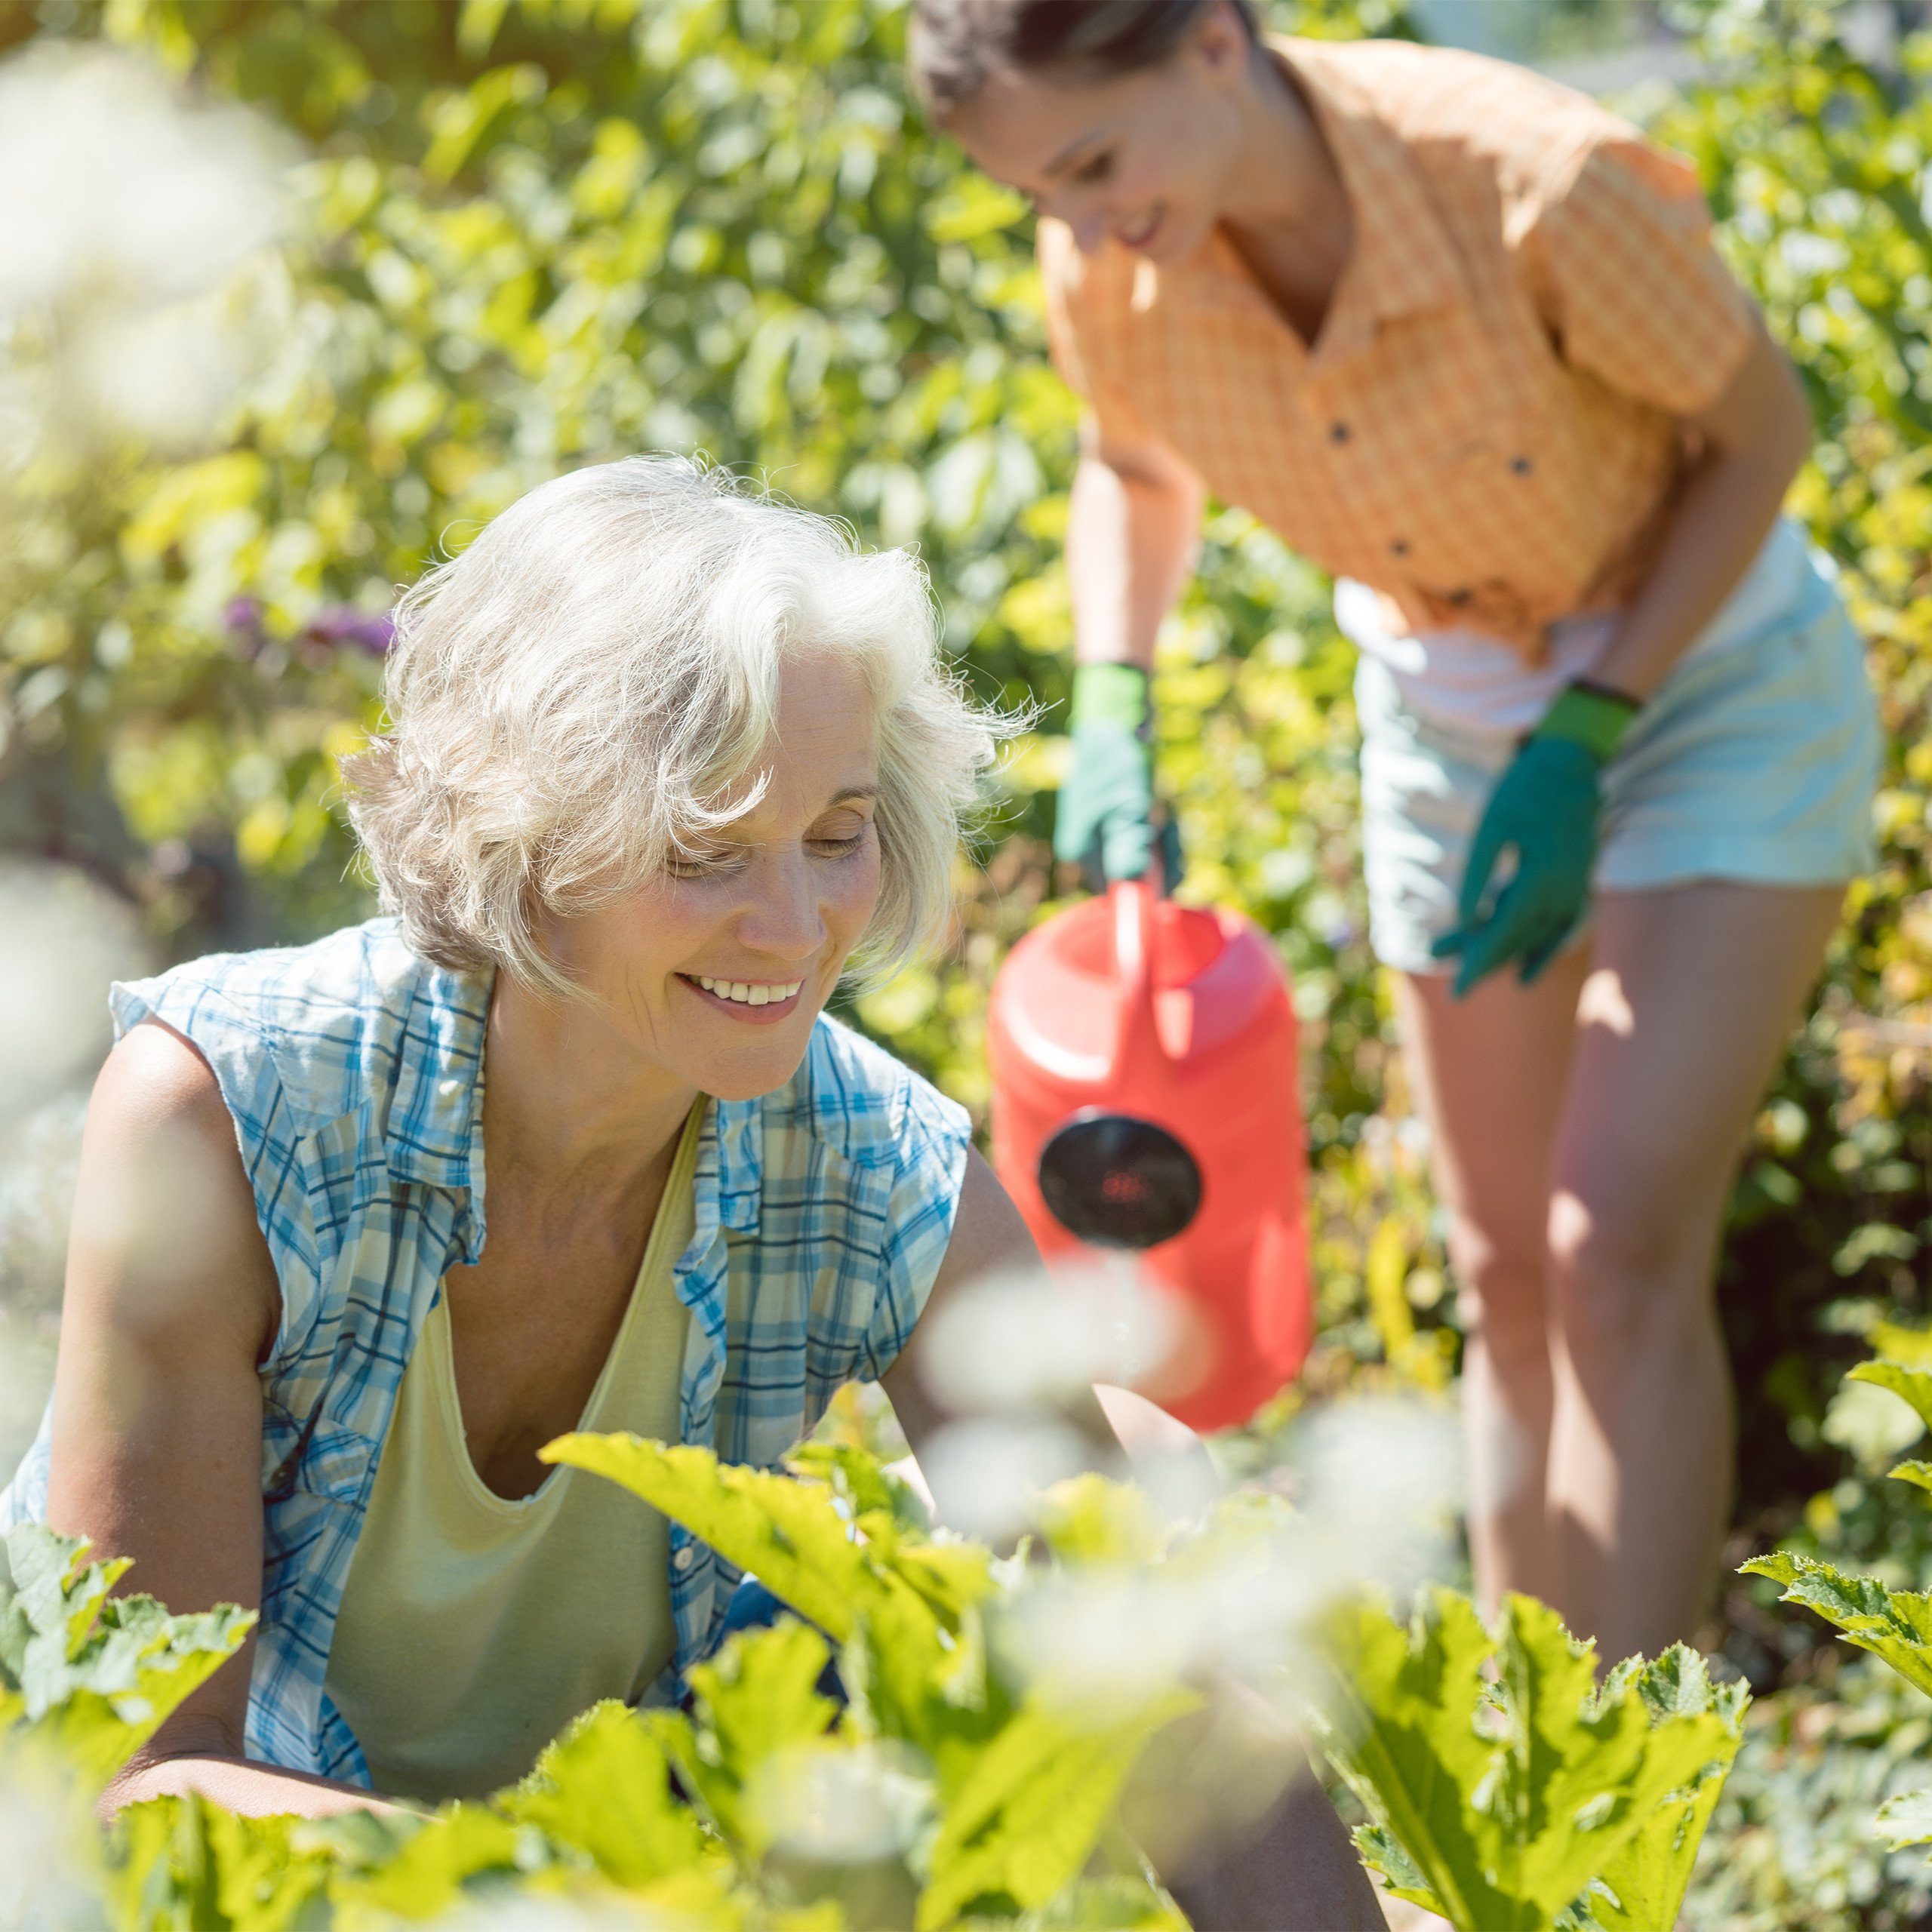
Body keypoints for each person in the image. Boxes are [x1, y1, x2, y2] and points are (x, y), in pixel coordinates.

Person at [0, 458, 1383, 1928]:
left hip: (636, 1881)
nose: (793, 927)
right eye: (705, 848)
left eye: (836, 833)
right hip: (291, 1892)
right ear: (533, 844)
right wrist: (583, 1902)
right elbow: (146, 1768)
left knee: (1110, 1495)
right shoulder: (235, 1112)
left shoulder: (873, 1166)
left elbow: (1158, 1659)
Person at [908, 0, 1882, 1665]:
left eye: (1089, 163)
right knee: (1500, 1267)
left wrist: (1589, 726)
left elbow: (1761, 435)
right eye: (1037, 199)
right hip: (1445, 719)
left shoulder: (1535, 185)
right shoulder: (1118, 255)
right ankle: (1521, 1766)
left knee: (1609, 1240)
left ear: (1211, 39)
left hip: (1707, 691)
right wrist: (1112, 695)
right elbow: (1128, 469)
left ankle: (1613, 1840)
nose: (1078, 230)